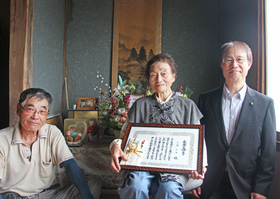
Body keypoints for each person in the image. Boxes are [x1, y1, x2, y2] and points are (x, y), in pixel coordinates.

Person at [109, 53, 207, 199]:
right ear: (149, 79)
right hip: (142, 165)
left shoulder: (188, 106)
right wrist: (116, 147)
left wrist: (199, 164)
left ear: (173, 76)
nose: (159, 79)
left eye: (164, 74)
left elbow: (198, 142)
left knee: (169, 189)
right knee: (136, 186)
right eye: (153, 75)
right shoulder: (140, 105)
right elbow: (124, 138)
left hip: (175, 168)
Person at [196, 41, 276, 199]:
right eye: (228, 59)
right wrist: (195, 179)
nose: (234, 65)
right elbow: (199, 141)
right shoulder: (206, 99)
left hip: (246, 186)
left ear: (249, 64)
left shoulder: (265, 104)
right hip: (210, 183)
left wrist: (261, 188)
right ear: (221, 64)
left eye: (240, 59)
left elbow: (268, 152)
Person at [0, 88, 101, 199]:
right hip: (14, 196)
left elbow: (70, 164)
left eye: (42, 111)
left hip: (46, 195)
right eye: (30, 109)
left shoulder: (52, 132)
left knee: (93, 183)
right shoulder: (2, 139)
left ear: (47, 113)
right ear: (19, 110)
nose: (35, 116)